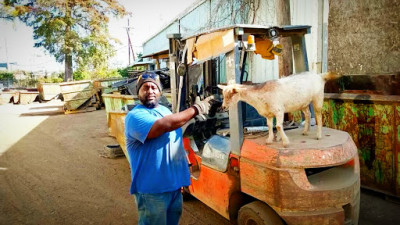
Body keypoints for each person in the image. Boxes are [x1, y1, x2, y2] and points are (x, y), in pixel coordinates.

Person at [124, 71, 213, 225]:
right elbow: (164, 126)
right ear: (138, 92)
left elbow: (174, 137)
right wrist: (197, 108)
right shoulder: (134, 116)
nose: (150, 91)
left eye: (154, 87)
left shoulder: (165, 111)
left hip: (173, 187)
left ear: (160, 91)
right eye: (145, 88)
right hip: (152, 191)